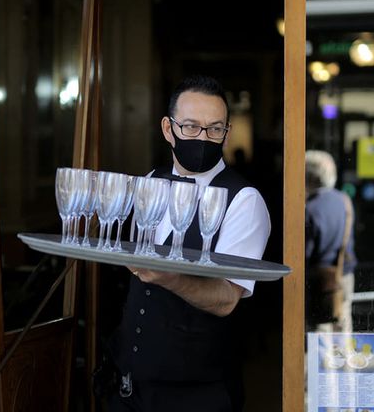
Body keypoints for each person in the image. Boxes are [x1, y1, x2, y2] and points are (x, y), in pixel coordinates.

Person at [107, 75, 271, 411]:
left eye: (215, 129)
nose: (203, 138)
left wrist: (170, 278)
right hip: (129, 386)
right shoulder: (151, 181)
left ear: (226, 132)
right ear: (168, 129)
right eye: (192, 127)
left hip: (197, 393)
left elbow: (226, 299)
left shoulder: (244, 200)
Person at [304, 150, 357, 333]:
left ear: (308, 177)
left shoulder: (310, 208)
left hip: (319, 277)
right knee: (343, 322)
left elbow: (305, 252)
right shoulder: (344, 200)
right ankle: (345, 353)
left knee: (321, 329)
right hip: (344, 272)